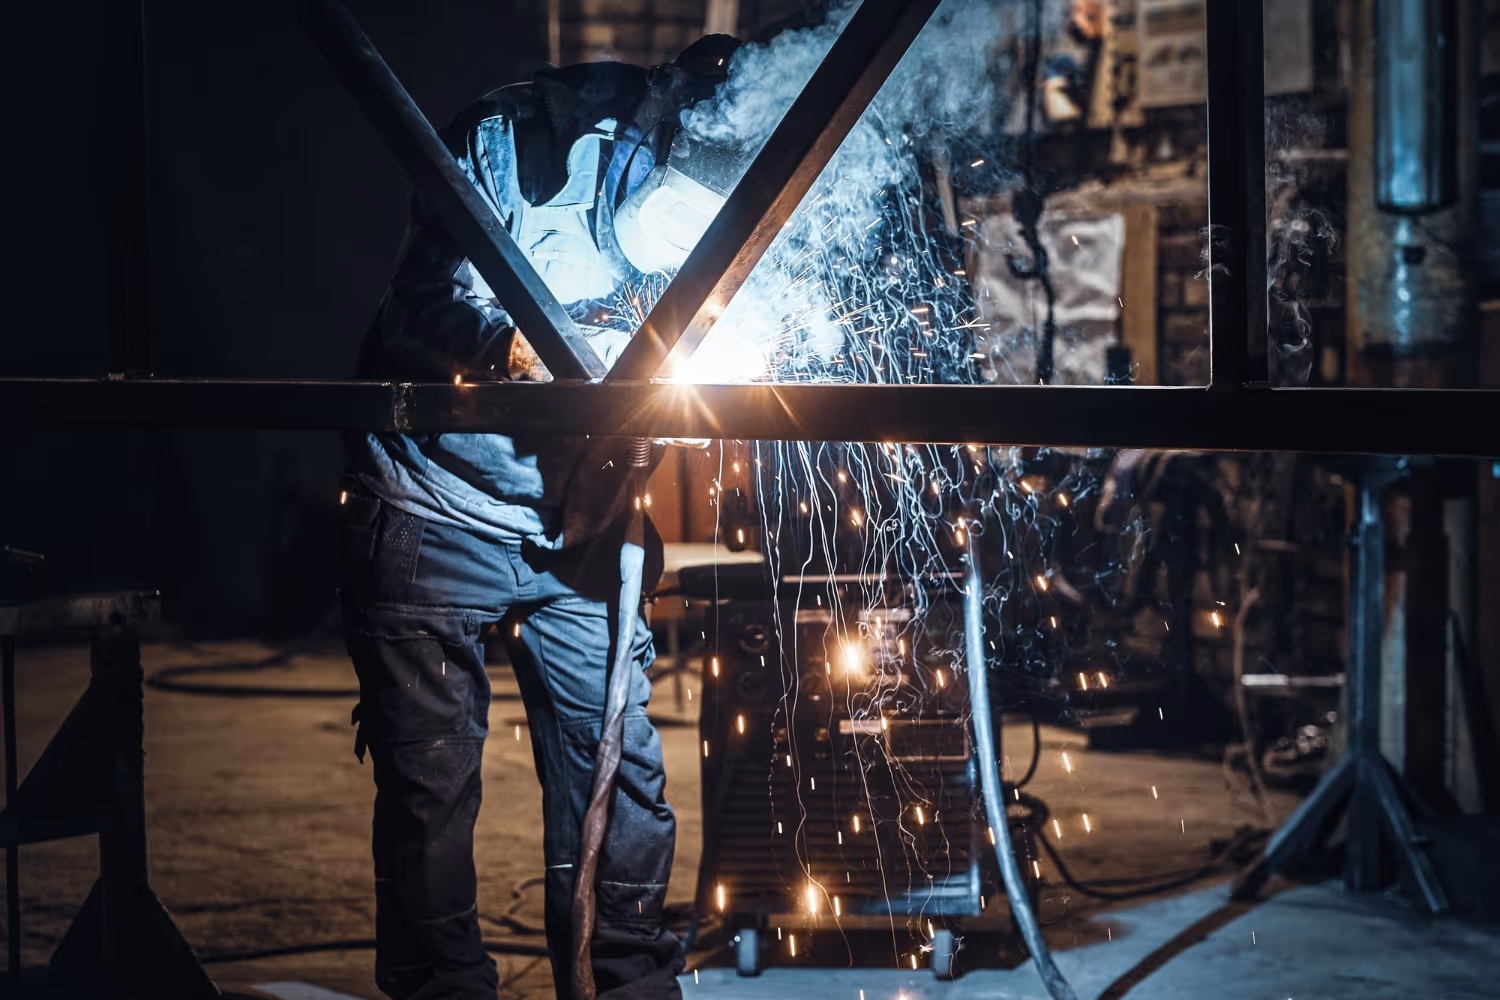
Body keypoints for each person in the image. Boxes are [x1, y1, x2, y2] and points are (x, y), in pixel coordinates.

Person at [338, 34, 740, 1000]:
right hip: (436, 499)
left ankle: (627, 985)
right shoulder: (506, 144)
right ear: (647, 142)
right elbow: (416, 312)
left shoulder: (747, 188)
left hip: (584, 522)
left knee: (626, 779)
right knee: (430, 787)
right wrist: (518, 351)